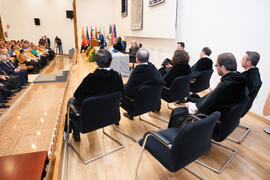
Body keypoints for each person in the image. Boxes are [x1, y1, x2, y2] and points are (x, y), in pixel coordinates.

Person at [66, 49, 124, 142]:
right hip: (110, 116)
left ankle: (74, 132)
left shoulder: (90, 79)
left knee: (70, 101)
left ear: (96, 63)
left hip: (90, 119)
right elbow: (122, 94)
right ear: (111, 61)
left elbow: (77, 96)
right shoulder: (117, 76)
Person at [183, 53, 247, 120]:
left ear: (222, 67)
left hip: (211, 116)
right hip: (222, 112)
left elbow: (202, 107)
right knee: (193, 97)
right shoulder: (238, 79)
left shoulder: (226, 84)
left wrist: (191, 106)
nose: (216, 68)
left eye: (216, 65)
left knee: (178, 112)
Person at [121, 48, 164, 120]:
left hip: (138, 104)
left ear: (137, 59)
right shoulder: (153, 68)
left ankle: (129, 114)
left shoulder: (137, 72)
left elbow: (128, 91)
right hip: (152, 101)